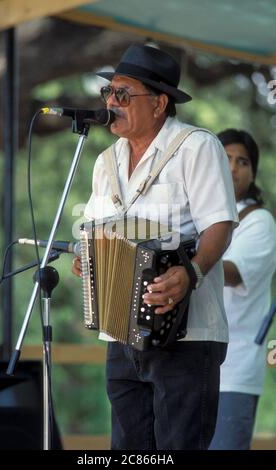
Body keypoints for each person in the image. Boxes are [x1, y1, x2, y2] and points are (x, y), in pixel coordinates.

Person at [72, 44, 238, 450]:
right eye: (108, 94)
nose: (112, 102)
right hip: (120, 335)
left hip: (187, 335)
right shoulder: (105, 162)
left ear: (160, 103)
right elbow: (95, 231)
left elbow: (220, 222)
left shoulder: (197, 147)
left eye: (123, 95)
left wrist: (192, 272)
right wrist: (86, 259)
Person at [209, 129, 276, 450]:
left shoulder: (259, 221)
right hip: (185, 366)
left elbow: (232, 273)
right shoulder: (192, 214)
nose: (233, 168)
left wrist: (180, 265)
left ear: (252, 174)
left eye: (243, 161)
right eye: (225, 158)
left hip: (232, 371)